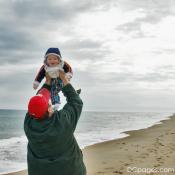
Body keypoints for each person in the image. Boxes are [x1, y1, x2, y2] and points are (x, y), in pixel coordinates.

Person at [24, 71, 86, 175]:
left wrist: (48, 82)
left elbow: (36, 104)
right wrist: (63, 78)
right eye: (49, 104)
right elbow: (76, 102)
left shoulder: (28, 125)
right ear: (49, 110)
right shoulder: (62, 121)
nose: (50, 104)